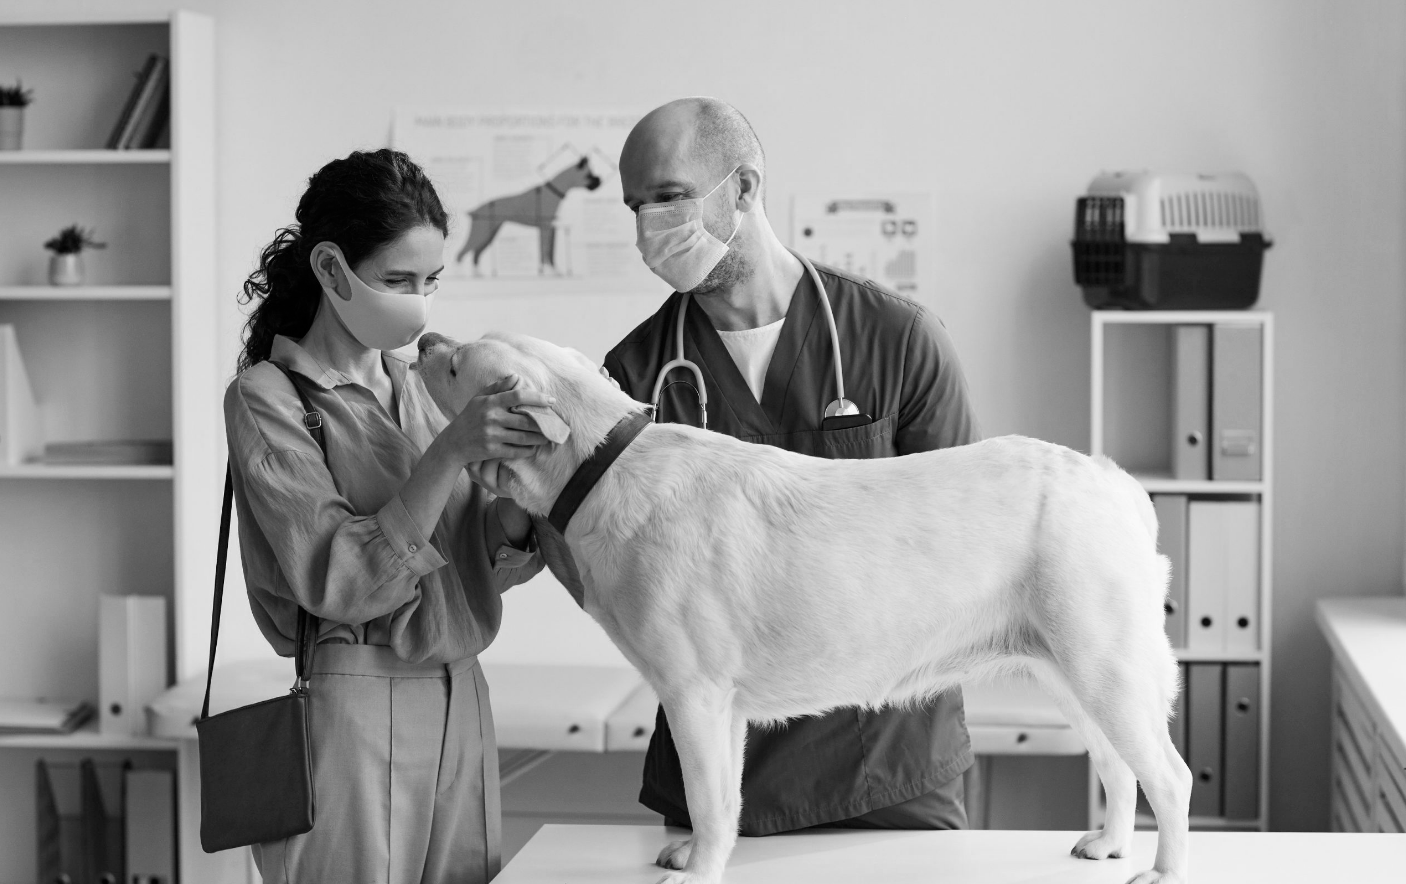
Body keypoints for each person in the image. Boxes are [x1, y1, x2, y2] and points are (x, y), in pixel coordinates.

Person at [603, 99, 982, 838]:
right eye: (636, 207)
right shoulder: (635, 377)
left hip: (886, 761)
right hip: (717, 775)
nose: (650, 226)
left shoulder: (898, 341)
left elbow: (964, 539)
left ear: (743, 187)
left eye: (670, 197)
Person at [225, 148, 550, 884]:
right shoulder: (269, 398)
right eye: (399, 280)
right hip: (356, 705)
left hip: (463, 694)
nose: (419, 303)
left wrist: (518, 498)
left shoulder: (426, 386)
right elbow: (340, 580)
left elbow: (475, 566)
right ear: (331, 268)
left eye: (432, 281)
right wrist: (451, 451)